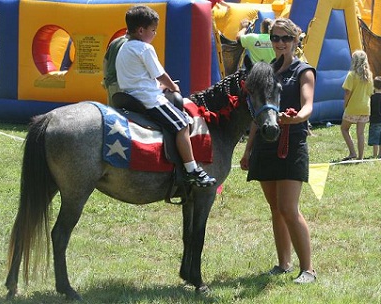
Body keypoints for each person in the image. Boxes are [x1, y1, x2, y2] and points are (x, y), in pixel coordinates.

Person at [240, 18, 317, 284]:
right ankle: (284, 263)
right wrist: (248, 150)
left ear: (296, 40)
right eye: (275, 38)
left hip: (291, 143)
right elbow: (256, 113)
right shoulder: (267, 71)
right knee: (275, 208)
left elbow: (308, 106)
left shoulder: (304, 70)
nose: (280, 43)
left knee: (288, 207)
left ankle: (308, 269)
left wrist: (296, 118)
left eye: (285, 38)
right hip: (265, 143)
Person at [115, 5, 216, 187]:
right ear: (141, 30)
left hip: (130, 95)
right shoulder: (144, 48)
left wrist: (161, 87)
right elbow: (160, 74)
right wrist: (173, 88)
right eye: (153, 30)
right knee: (182, 125)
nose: (154, 34)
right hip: (148, 100)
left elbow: (139, 78)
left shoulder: (124, 47)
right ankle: (192, 168)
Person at [341, 50, 374, 161]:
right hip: (365, 108)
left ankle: (352, 152)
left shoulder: (351, 75)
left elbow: (347, 92)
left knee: (344, 129)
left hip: (353, 107)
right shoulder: (369, 75)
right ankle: (360, 157)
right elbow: (370, 92)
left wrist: (345, 105)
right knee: (360, 133)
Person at [102, 34, 128, 106]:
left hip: (110, 81)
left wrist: (105, 79)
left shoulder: (115, 42)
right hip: (121, 82)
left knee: (112, 110)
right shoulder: (129, 44)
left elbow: (105, 61)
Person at [368, 76, 381, 158]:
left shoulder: (372, 97)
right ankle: (380, 154)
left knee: (375, 139)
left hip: (374, 120)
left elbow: (369, 108)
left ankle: (374, 154)